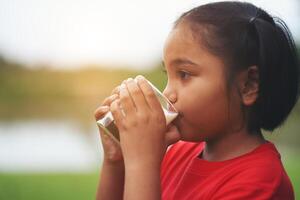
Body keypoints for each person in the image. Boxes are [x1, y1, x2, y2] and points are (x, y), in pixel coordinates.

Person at [94, 1, 299, 199]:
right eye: (168, 75)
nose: (168, 94)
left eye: (184, 74)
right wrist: (117, 161)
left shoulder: (260, 183)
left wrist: (142, 162)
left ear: (248, 85)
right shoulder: (179, 152)